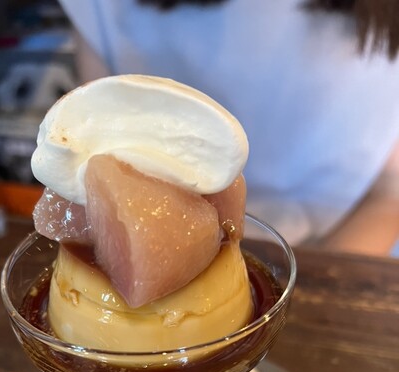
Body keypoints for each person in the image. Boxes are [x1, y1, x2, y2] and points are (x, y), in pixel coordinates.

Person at [58, 0, 399, 255]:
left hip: (337, 249)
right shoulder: (106, 8)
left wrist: (299, 292)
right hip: (159, 247)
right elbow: (101, 162)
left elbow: (389, 196)